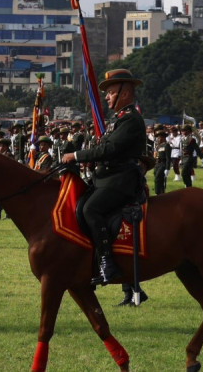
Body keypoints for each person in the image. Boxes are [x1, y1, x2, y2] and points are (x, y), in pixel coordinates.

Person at [61, 69, 146, 286]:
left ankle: (107, 263)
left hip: (121, 180)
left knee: (92, 209)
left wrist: (77, 156)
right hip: (107, 177)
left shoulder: (131, 120)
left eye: (110, 93)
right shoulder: (118, 120)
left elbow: (109, 149)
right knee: (81, 205)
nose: (106, 97)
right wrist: (90, 160)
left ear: (125, 94)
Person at [153, 130, 171, 195]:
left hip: (163, 164)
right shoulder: (158, 146)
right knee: (157, 179)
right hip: (157, 164)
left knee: (158, 179)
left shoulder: (167, 145)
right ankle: (161, 193)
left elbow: (168, 158)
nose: (158, 139)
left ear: (163, 137)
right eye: (157, 137)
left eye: (159, 137)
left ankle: (158, 193)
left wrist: (167, 168)